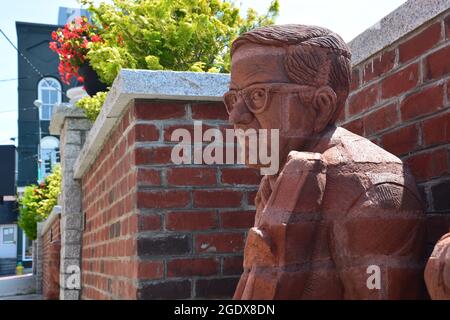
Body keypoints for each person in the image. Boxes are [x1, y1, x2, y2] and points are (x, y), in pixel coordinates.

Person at [224, 24, 425, 299]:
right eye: (233, 98)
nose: (236, 116)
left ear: (321, 106)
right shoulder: (276, 175)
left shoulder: (375, 195)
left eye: (258, 95)